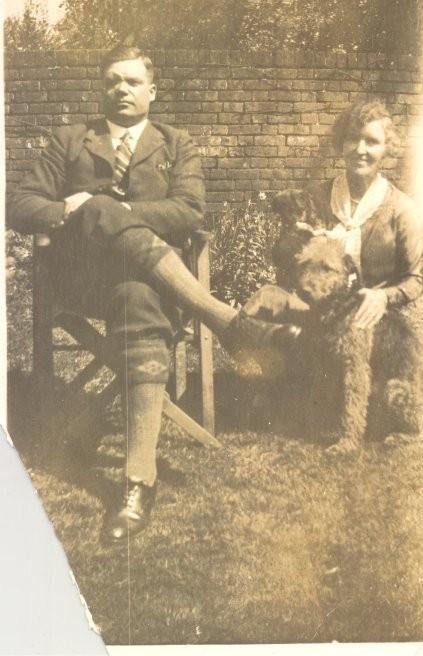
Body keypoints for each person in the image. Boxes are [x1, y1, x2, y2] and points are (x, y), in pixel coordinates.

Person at [6, 45, 299, 543]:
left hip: (148, 284)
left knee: (137, 293)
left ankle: (137, 484)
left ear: (152, 91)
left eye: (132, 81)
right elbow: (19, 204)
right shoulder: (70, 139)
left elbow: (189, 212)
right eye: (112, 81)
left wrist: (113, 212)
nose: (121, 89)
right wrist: (73, 209)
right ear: (102, 89)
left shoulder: (176, 143)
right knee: (97, 208)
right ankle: (227, 322)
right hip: (84, 283)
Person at [307, 99, 423, 326]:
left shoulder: (401, 209)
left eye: (372, 142)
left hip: (375, 322)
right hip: (318, 316)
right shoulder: (317, 198)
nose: (360, 150)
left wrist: (383, 297)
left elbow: (414, 280)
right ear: (341, 143)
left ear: (386, 148)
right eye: (352, 138)